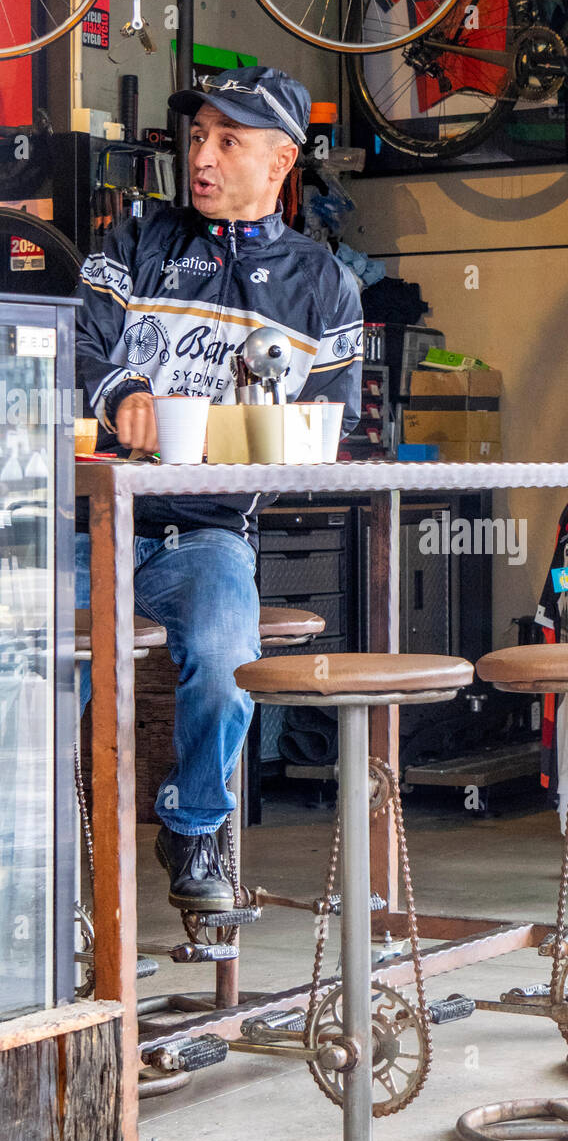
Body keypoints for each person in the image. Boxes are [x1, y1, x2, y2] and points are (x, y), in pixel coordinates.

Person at [74, 66, 362, 912]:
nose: (201, 156)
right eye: (197, 137)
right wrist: (122, 396)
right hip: (92, 522)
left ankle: (193, 827)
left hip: (205, 536)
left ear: (280, 163)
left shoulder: (324, 284)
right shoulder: (133, 239)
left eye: (227, 141)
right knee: (43, 666)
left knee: (225, 661)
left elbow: (327, 427)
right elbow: (76, 346)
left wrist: (270, 439)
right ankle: (43, 851)